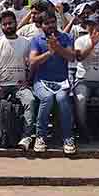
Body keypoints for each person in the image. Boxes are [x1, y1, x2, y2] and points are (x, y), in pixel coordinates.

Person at [0, 11, 36, 150]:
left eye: (10, 23)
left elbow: (31, 64)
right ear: (1, 26)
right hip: (0, 84)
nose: (8, 26)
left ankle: (26, 136)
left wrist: (28, 80)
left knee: (30, 101)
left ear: (15, 23)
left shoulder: (26, 43)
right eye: (5, 24)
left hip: (20, 86)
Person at [29, 11, 77, 155]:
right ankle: (40, 136)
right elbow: (32, 61)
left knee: (62, 99)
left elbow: (71, 57)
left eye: (52, 22)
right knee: (47, 98)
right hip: (41, 81)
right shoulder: (36, 40)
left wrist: (57, 48)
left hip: (61, 81)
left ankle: (68, 137)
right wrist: (49, 53)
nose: (50, 25)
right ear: (41, 25)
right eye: (46, 23)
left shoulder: (66, 37)